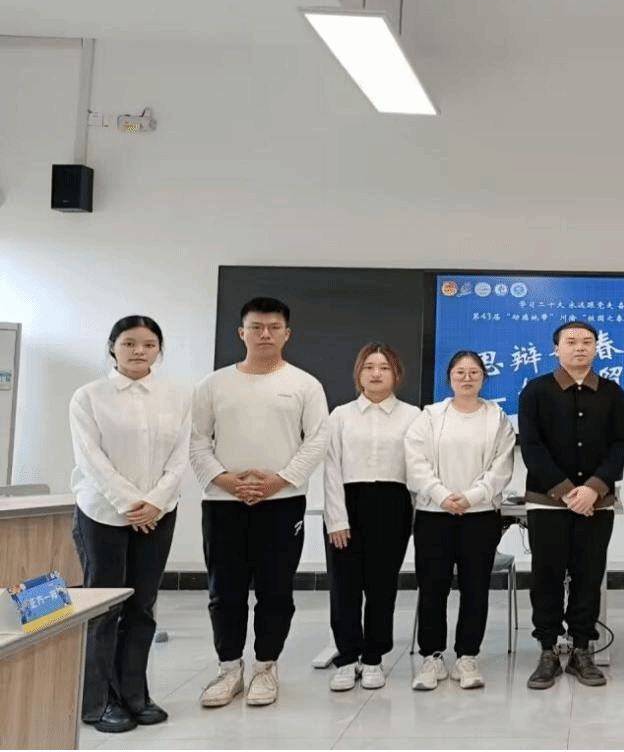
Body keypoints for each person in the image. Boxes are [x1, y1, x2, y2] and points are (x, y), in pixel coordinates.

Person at [190, 297, 330, 708]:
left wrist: (279, 480)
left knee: (276, 590)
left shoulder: (305, 385)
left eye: (273, 327)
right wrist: (225, 480)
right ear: (242, 333)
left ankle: (266, 666)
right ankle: (229, 668)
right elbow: (197, 441)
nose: (264, 334)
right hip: (223, 502)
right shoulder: (213, 385)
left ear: (287, 334)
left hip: (282, 502)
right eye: (256, 327)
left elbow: (317, 440)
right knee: (224, 591)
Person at [69, 315, 189, 733]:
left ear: (159, 350)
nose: (139, 351)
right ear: (112, 347)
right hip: (102, 511)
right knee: (105, 606)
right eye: (129, 343)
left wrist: (154, 502)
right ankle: (99, 702)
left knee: (142, 605)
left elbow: (179, 457)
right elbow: (91, 459)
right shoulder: (89, 396)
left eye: (149, 344)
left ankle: (135, 694)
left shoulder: (176, 397)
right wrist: (130, 503)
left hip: (159, 513)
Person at [519, 320, 624, 689]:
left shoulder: (612, 393)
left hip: (597, 503)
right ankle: (547, 650)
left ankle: (583, 649)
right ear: (556, 349)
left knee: (588, 574)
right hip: (547, 502)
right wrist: (567, 491)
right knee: (546, 576)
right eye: (571, 342)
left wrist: (593, 489)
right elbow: (531, 446)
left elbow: (619, 445)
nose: (579, 347)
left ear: (597, 348)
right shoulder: (535, 391)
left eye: (587, 342)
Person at [405, 350, 516, 691]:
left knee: (475, 588)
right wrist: (441, 495)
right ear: (449, 378)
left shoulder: (497, 418)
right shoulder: (430, 416)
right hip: (434, 514)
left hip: (479, 516)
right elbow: (415, 461)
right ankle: (432, 657)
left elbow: (502, 467)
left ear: (484, 377)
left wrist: (471, 497)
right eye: (460, 372)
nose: (467, 378)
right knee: (433, 587)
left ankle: (468, 656)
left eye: (474, 372)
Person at [323, 343, 420, 692]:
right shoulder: (340, 415)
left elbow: (418, 469)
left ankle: (374, 657)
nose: (376, 373)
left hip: (393, 505)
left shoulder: (413, 416)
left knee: (382, 585)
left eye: (384, 367)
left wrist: (417, 516)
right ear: (358, 374)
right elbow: (331, 469)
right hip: (348, 503)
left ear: (396, 374)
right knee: (344, 586)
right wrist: (336, 519)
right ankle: (348, 657)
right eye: (369, 367)